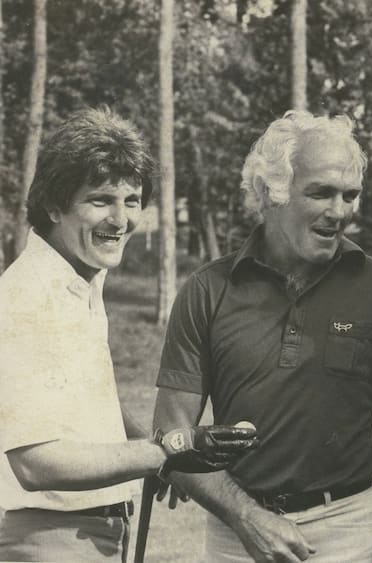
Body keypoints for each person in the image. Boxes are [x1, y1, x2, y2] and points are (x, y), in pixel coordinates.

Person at [152, 110, 372, 563]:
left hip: (351, 532)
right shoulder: (208, 290)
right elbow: (171, 429)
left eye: (349, 195)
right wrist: (244, 516)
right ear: (270, 192)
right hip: (236, 534)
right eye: (320, 193)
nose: (338, 212)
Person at [0, 108, 258, 562]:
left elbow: (81, 401)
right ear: (54, 204)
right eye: (101, 200)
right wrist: (167, 450)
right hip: (47, 535)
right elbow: (36, 462)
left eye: (133, 200)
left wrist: (159, 452)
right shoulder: (28, 298)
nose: (121, 220)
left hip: (88, 529)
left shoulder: (78, 278)